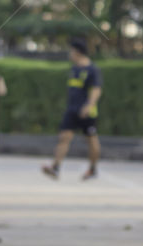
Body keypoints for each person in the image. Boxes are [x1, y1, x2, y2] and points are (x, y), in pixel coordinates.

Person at [41, 37, 102, 181]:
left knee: (91, 140)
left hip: (87, 111)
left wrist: (89, 105)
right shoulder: (74, 68)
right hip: (72, 110)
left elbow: (96, 89)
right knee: (64, 137)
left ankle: (93, 169)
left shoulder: (92, 69)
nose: (70, 54)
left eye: (71, 51)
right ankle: (55, 167)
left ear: (78, 52)